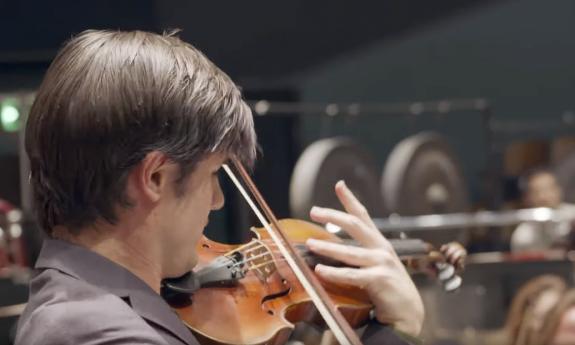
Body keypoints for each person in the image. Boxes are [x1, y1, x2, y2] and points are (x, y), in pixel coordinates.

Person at [15, 30, 424, 345]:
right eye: (213, 175)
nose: (217, 200)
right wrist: (397, 332)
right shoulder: (101, 332)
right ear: (155, 177)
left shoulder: (85, 303)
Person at [511, 168, 575, 252]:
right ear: (527, 197)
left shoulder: (573, 215)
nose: (543, 197)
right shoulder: (522, 236)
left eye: (548, 189)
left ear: (559, 190)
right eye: (536, 192)